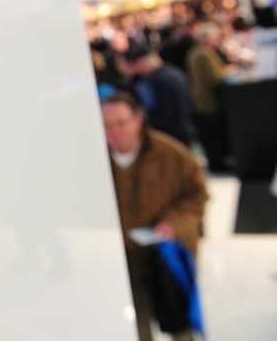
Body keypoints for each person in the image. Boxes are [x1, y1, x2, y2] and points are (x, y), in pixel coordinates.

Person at [101, 92, 209, 341]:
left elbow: (197, 195)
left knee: (179, 324)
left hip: (165, 256)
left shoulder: (170, 154)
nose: (115, 132)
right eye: (107, 125)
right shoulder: (96, 159)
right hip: (124, 260)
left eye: (121, 123)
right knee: (136, 324)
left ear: (138, 119)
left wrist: (173, 223)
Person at [185, 22, 238, 172]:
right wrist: (228, 72)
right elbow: (214, 78)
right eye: (215, 37)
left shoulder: (196, 52)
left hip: (204, 100)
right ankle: (218, 164)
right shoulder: (203, 54)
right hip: (209, 102)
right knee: (214, 137)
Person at [123, 43, 194, 147]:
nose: (137, 70)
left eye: (137, 64)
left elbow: (166, 115)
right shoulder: (172, 71)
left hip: (174, 135)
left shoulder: (161, 80)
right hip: (184, 129)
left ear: (142, 61)